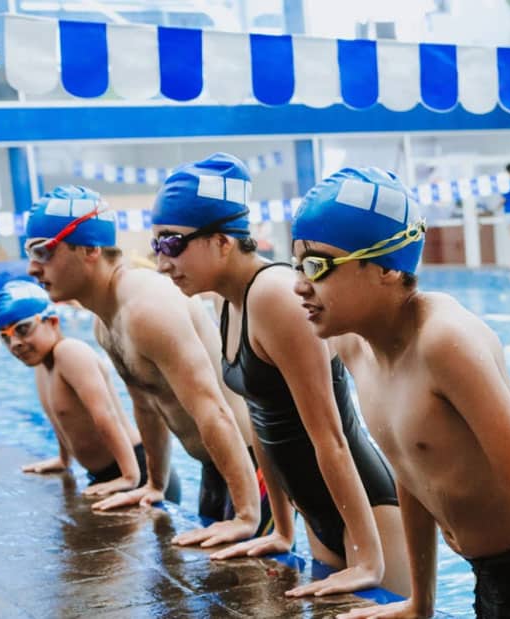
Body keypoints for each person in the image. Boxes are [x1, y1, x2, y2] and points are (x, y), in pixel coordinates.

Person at [291, 168, 510, 619]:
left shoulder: (444, 343)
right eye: (297, 266)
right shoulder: (355, 347)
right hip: (489, 573)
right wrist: (420, 603)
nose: (299, 285)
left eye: (317, 265)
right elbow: (412, 472)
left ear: (385, 268)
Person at [149, 153, 410, 597]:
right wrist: (282, 528)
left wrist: (367, 556)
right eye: (155, 245)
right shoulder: (229, 303)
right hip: (320, 513)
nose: (161, 261)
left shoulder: (275, 296)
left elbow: (329, 434)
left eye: (172, 243)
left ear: (223, 241)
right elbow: (263, 420)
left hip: (365, 512)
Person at [24, 185, 270, 547]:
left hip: (252, 467)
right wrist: (151, 484)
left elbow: (212, 409)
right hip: (216, 467)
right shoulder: (105, 322)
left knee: (258, 591)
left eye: (43, 251)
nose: (32, 268)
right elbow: (146, 404)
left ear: (90, 249)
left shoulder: (147, 309)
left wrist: (248, 514)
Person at [0, 280, 181, 501]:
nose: (15, 343)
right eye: (5, 337)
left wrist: (129, 477)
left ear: (52, 321)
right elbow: (60, 418)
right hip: (106, 474)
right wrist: (64, 460)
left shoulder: (70, 353)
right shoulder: (42, 367)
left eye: (22, 329)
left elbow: (105, 414)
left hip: (138, 471)